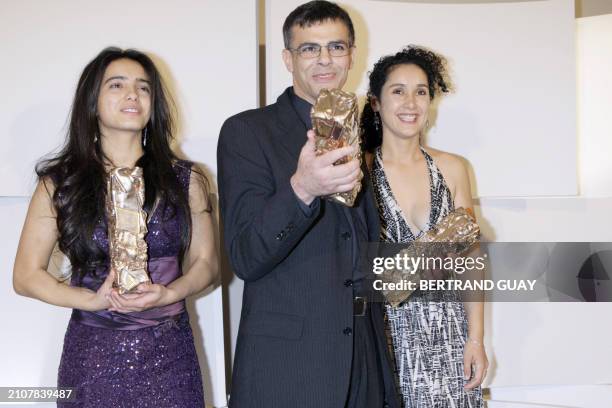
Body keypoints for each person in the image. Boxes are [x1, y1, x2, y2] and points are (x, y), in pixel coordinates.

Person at [12, 47, 218, 407]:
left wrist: (171, 293)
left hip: (172, 359)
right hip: (92, 359)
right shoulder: (60, 184)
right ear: (92, 101)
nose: (132, 95)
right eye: (117, 85)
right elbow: (26, 276)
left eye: (143, 87)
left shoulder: (187, 180)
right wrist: (92, 299)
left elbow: (207, 265)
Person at [217, 1, 399, 407]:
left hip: (363, 365)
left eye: (336, 47)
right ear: (288, 58)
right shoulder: (248, 131)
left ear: (352, 55)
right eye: (308, 49)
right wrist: (301, 187)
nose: (324, 60)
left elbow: (358, 256)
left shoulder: (362, 136)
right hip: (289, 370)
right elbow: (245, 256)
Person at [360, 45, 488, 407]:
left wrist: (475, 339)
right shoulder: (358, 173)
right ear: (376, 103)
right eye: (397, 91)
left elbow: (471, 261)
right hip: (386, 338)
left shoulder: (453, 168)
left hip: (450, 336)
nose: (410, 102)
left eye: (421, 91)